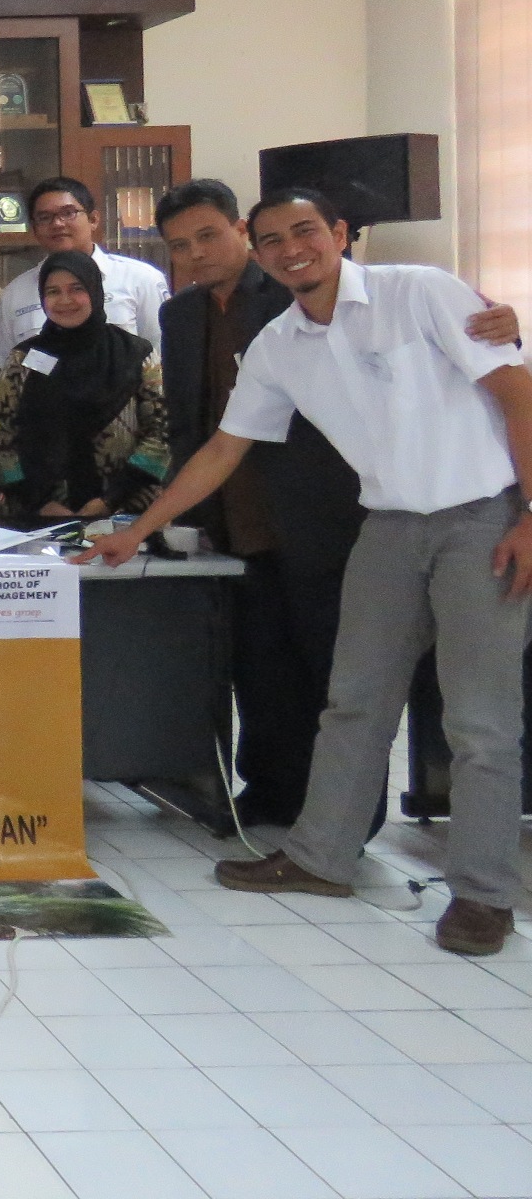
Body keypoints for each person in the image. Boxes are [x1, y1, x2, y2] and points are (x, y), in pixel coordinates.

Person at [86, 189, 532, 958]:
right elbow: (223, 449)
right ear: (259, 252)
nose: (292, 249)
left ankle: (483, 895)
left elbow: (517, 394)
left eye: (305, 231)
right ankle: (322, 858)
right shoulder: (279, 344)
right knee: (353, 702)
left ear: (339, 233)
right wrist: (138, 531)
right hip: (388, 525)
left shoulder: (419, 291)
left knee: (479, 723)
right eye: (274, 240)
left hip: (481, 517)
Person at [156, 180, 519, 830]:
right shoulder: (209, 322)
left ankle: (397, 841)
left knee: (411, 700)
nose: (196, 253)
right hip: (267, 519)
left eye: (208, 235)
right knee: (293, 683)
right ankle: (295, 819)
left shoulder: (361, 290)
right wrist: (159, 523)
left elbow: (507, 378)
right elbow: (209, 434)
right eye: (180, 245)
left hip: (363, 516)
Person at [0, 250, 168, 521]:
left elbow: (162, 431)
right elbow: (2, 433)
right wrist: (38, 501)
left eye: (77, 289)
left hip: (127, 512)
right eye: (53, 291)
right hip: (41, 516)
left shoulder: (136, 353)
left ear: (95, 291)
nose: (65, 300)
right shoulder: (22, 359)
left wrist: (111, 499)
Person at [0, 176, 169, 370]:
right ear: (34, 228)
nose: (57, 223)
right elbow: (2, 368)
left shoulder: (141, 279)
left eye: (68, 213)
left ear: (93, 219)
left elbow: (163, 355)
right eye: (44, 217)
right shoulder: (15, 293)